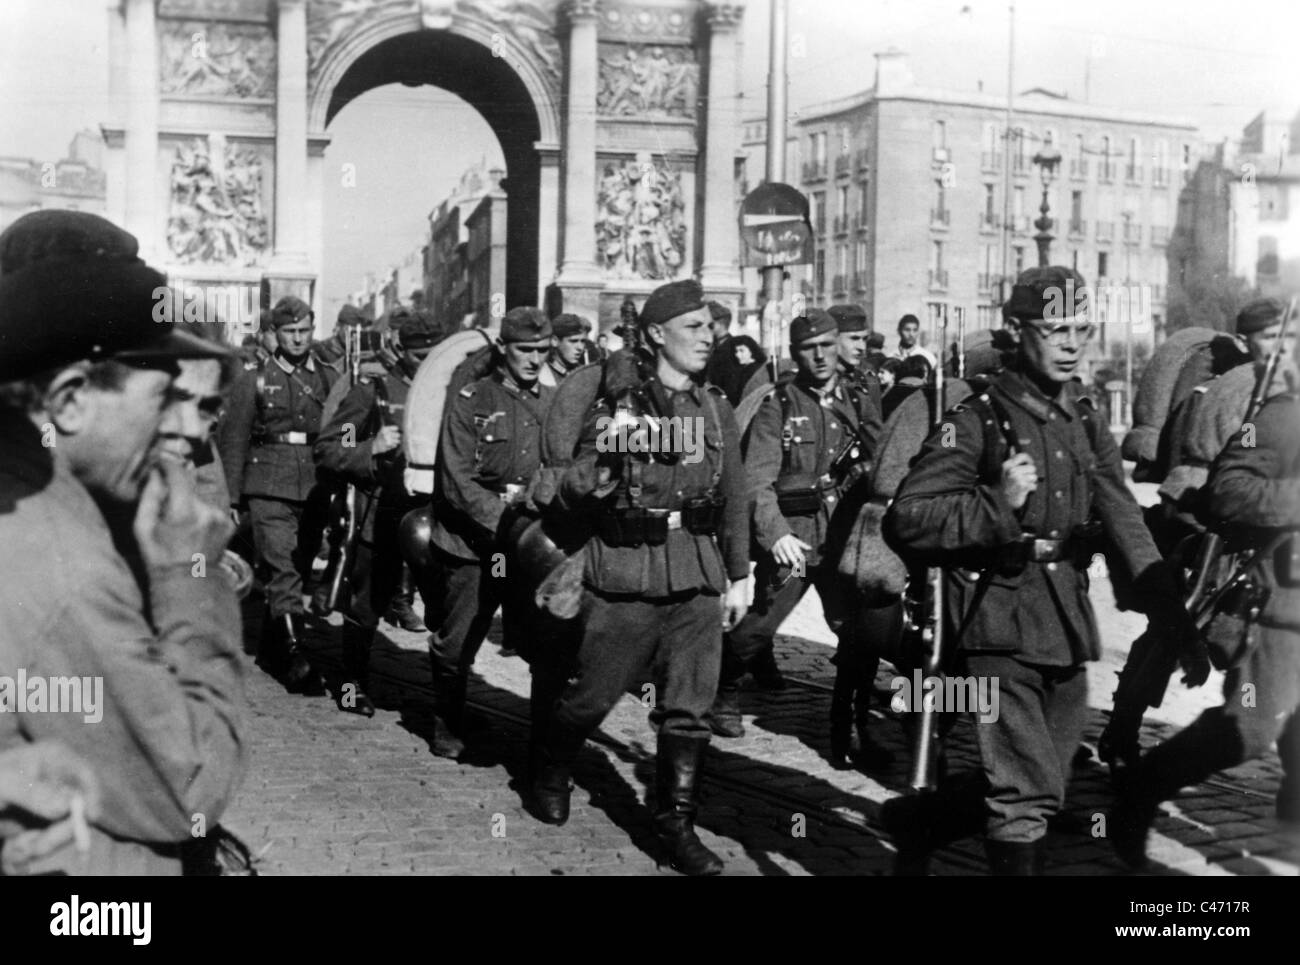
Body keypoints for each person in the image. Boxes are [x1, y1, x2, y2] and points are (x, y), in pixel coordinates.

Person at [883, 266, 1194, 875]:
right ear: (1017, 331)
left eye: (1083, 328)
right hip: (995, 619)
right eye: (1056, 330)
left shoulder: (1084, 417)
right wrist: (997, 506)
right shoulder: (973, 418)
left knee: (1048, 782)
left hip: (1064, 621)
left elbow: (1123, 517)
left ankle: (924, 822)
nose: (1072, 343)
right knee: (1024, 795)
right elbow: (908, 517)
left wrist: (1171, 613)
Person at [0, 210, 246, 875]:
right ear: (72, 398)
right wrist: (191, 581)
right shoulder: (62, 566)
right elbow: (190, 784)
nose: (179, 426)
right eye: (161, 394)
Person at [528, 279, 750, 876]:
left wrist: (739, 573)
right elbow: (555, 487)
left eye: (710, 327)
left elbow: (734, 495)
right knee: (593, 697)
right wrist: (603, 465)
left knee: (689, 709)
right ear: (655, 334)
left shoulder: (715, 406)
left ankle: (674, 822)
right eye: (695, 328)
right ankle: (551, 761)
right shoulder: (607, 403)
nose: (709, 338)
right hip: (625, 571)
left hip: (697, 574)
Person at [1112, 309, 1300, 863]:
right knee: (1248, 727)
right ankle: (1143, 786)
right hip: (1285, 607)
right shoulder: (1281, 416)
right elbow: (1230, 490)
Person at [708, 309, 888, 769]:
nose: (821, 356)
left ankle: (849, 724)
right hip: (798, 539)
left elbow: (882, 460)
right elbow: (755, 483)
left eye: (828, 345)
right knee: (758, 628)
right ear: (795, 354)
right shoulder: (779, 404)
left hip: (848, 538)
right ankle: (722, 693)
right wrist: (777, 535)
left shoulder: (860, 396)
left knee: (857, 633)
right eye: (809, 349)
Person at [425, 307, 556, 757]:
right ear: (503, 348)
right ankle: (447, 718)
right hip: (473, 543)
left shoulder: (553, 405)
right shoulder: (471, 397)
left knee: (545, 643)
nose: (535, 359)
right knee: (457, 642)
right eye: (525, 350)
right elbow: (456, 480)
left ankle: (543, 744)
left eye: (542, 350)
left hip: (530, 543)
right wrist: (503, 522)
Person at [314, 310, 443, 716]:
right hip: (383, 513)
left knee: (446, 608)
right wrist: (373, 447)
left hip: (434, 516)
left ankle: (448, 707)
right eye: (420, 356)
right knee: (367, 604)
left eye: (432, 355)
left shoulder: (451, 389)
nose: (427, 365)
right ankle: (352, 688)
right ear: (401, 351)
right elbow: (331, 447)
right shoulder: (374, 389)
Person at [218, 294, 339, 692]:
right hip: (267, 482)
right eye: (290, 332)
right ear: (274, 333)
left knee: (299, 569)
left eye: (305, 331)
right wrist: (231, 499)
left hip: (317, 484)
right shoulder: (253, 377)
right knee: (282, 567)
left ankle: (272, 646)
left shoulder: (329, 379)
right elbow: (234, 439)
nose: (299, 339)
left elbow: (345, 429)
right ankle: (293, 655)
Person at [548, 313, 593, 381]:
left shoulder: (585, 375)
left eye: (583, 341)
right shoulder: (541, 374)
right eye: (573, 341)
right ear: (555, 341)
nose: (580, 348)